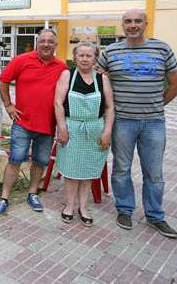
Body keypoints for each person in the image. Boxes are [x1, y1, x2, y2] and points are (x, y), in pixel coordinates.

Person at [96, 9, 177, 238]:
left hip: (154, 123)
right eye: (128, 21)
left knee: (154, 172)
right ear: (122, 25)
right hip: (122, 122)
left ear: (145, 23)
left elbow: (176, 85)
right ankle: (124, 209)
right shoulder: (111, 51)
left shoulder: (162, 48)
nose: (132, 25)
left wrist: (156, 106)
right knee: (121, 168)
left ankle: (155, 215)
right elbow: (95, 79)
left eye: (137, 21)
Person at [0, 29, 68, 217]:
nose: (46, 44)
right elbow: (3, 80)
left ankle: (32, 193)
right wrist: (8, 105)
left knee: (39, 162)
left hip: (47, 126)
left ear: (56, 45)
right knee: (15, 160)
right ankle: (4, 198)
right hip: (23, 123)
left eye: (50, 41)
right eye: (42, 41)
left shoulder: (62, 68)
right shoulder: (21, 60)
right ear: (37, 43)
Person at [54, 42, 114, 226]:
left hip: (94, 129)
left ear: (96, 58)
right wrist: (62, 128)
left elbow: (110, 106)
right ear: (75, 58)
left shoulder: (101, 78)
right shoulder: (67, 75)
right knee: (71, 171)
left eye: (89, 55)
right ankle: (69, 206)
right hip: (71, 128)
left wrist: (107, 132)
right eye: (81, 55)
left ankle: (84, 207)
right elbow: (58, 103)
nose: (85, 59)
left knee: (87, 171)